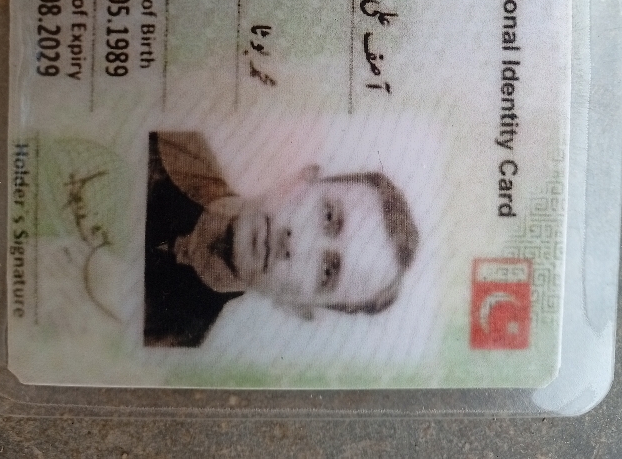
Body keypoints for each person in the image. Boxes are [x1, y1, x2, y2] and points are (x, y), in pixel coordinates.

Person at [145, 130, 419, 348]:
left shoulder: (167, 342)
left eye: (326, 271)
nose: (296, 245)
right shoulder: (169, 142)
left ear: (297, 308)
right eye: (327, 216)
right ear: (301, 179)